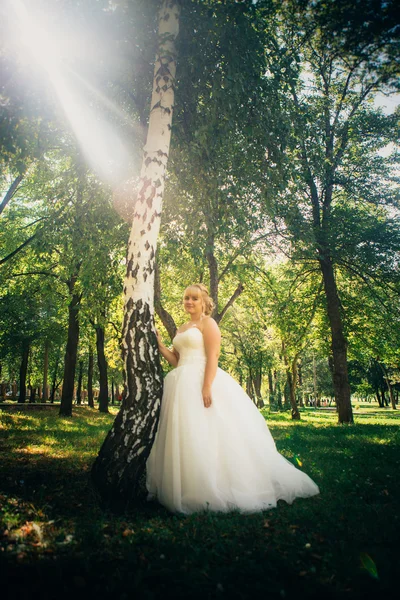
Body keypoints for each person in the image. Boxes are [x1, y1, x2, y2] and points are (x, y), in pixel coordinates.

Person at [146, 284, 319, 514]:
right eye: (186, 298)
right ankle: (187, 485)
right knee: (186, 433)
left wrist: (206, 386)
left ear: (203, 302)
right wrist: (159, 346)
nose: (189, 302)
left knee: (209, 433)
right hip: (180, 383)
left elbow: (213, 356)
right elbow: (178, 360)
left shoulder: (208, 323)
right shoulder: (182, 327)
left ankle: (214, 486)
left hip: (203, 380)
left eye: (194, 298)